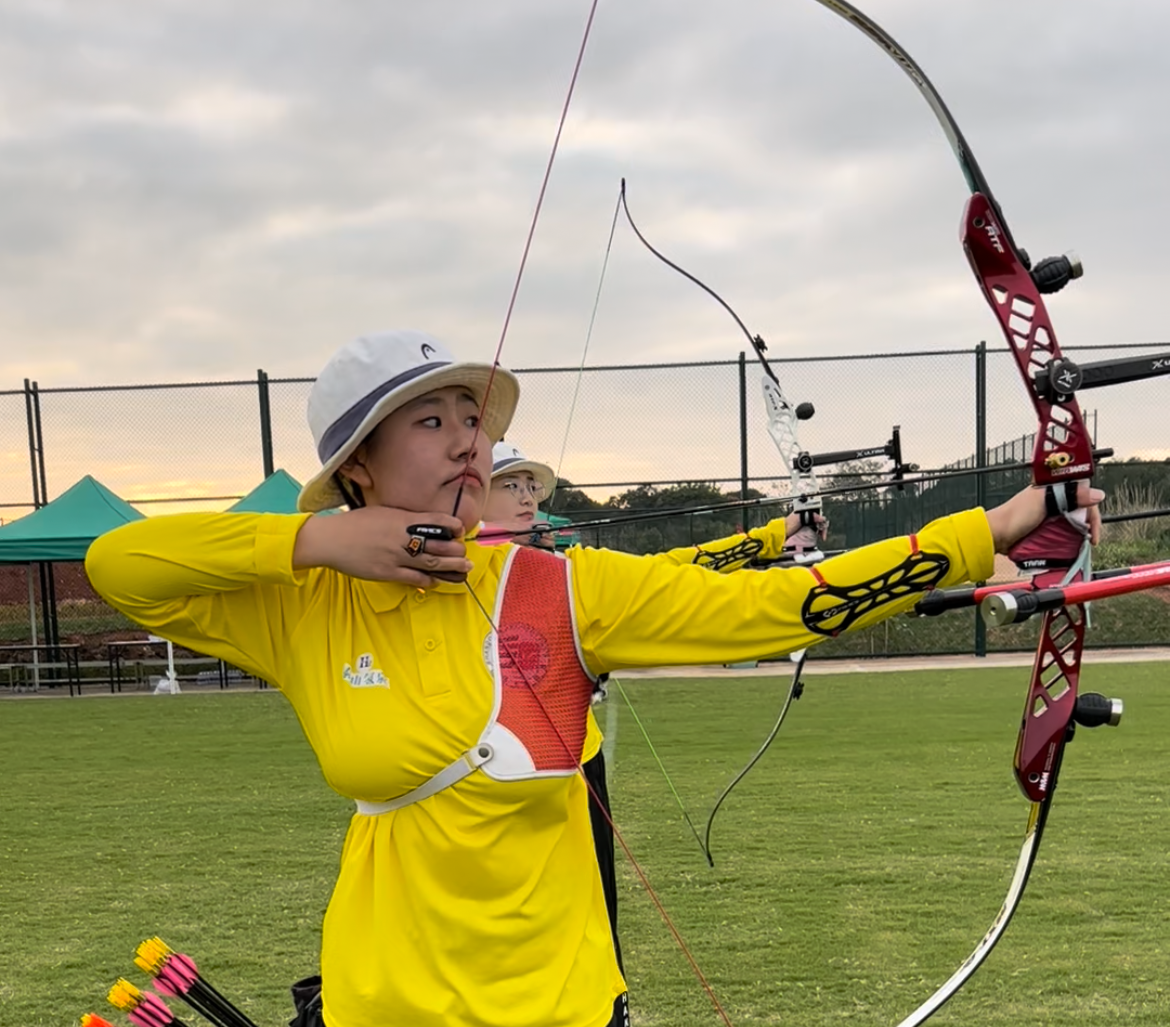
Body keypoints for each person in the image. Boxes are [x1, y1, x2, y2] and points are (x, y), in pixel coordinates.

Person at [86, 329, 1101, 1027]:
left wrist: (1000, 526)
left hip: (555, 999)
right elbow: (118, 565)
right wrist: (322, 540)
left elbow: (778, 603)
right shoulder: (306, 603)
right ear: (359, 464)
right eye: (431, 422)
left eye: (470, 419)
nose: (470, 441)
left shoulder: (559, 589)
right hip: (377, 998)